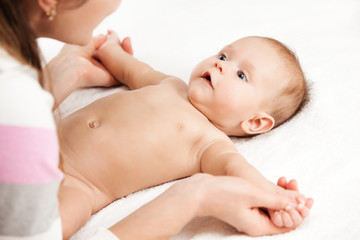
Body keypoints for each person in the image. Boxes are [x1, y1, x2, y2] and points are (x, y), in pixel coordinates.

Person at [0, 1, 313, 240]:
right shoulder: (170, 84)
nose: (221, 66)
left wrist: (275, 197)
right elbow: (131, 69)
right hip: (49, 142)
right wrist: (107, 49)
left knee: (51, 227)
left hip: (81, 185)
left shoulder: (210, 143)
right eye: (223, 56)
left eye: (241, 75)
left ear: (255, 123)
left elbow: (236, 170)